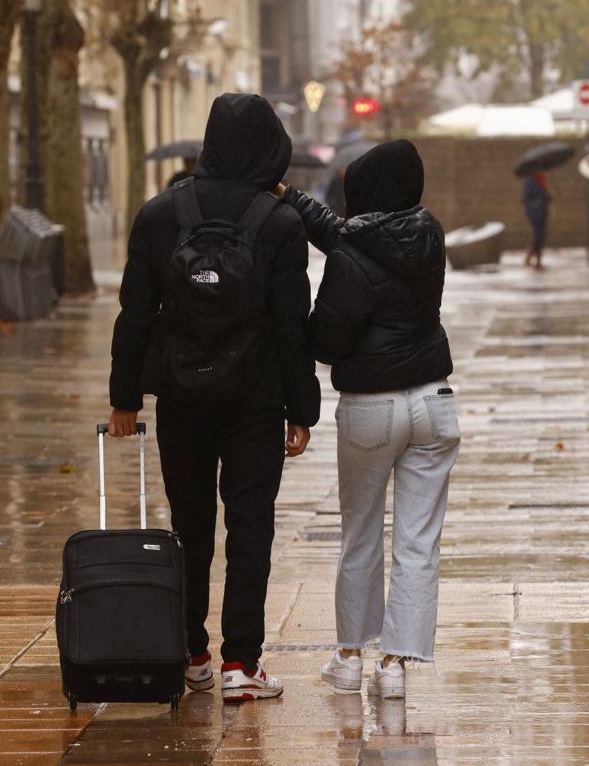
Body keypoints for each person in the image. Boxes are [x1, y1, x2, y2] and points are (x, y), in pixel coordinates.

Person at [107, 93, 320, 704]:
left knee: (190, 525)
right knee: (250, 528)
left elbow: (135, 314)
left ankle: (191, 653)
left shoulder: (161, 213)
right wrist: (301, 410)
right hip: (255, 403)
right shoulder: (280, 223)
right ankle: (241, 665)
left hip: (181, 397)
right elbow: (290, 324)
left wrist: (125, 397)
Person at [279, 140, 460, 701]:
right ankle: (396, 667)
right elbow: (351, 236)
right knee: (417, 543)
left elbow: (328, 341)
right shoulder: (428, 236)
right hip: (433, 404)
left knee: (360, 537)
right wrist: (293, 198)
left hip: (371, 411)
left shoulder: (351, 259)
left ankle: (350, 657)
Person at [521, 171, 551, 269]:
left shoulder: (542, 181)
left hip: (543, 212)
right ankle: (530, 257)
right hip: (535, 213)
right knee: (538, 236)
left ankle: (537, 260)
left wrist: (548, 196)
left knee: (541, 236)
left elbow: (543, 197)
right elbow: (525, 198)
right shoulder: (530, 182)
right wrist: (536, 204)